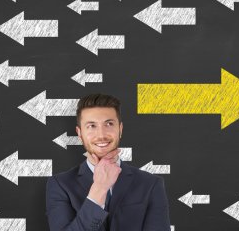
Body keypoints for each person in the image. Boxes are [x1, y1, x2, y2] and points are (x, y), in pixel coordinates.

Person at [46, 94, 171, 230]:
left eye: (109, 124)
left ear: (120, 129)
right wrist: (99, 188)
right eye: (92, 126)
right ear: (80, 133)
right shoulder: (60, 185)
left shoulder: (151, 184)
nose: (101, 135)